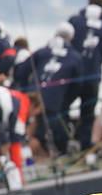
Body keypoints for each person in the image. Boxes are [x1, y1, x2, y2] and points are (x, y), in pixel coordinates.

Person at [16, 23, 82, 155]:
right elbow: (77, 87)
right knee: (38, 137)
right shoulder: (75, 57)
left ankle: (24, 155)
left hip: (31, 98)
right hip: (53, 104)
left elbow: (20, 72)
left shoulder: (42, 52)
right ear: (71, 38)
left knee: (29, 132)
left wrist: (25, 90)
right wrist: (64, 103)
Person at [69, 0, 102, 149]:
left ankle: (65, 141)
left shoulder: (74, 21)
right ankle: (85, 147)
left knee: (62, 109)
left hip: (71, 76)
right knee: (87, 114)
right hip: (92, 78)